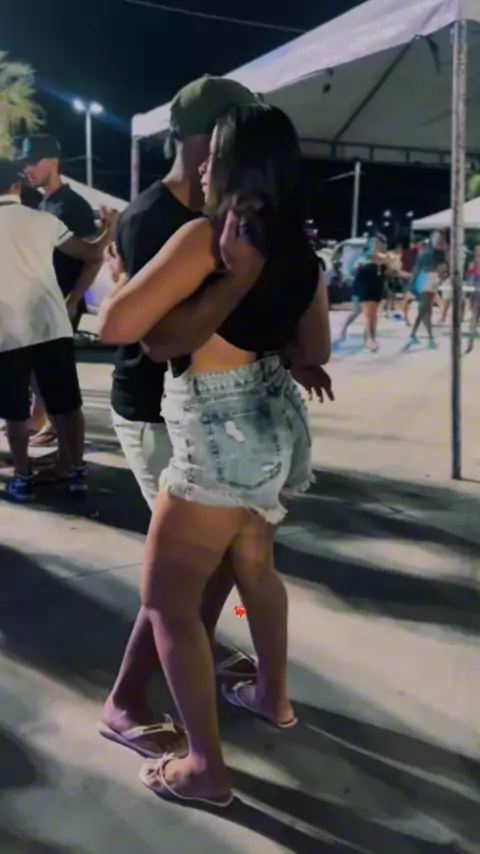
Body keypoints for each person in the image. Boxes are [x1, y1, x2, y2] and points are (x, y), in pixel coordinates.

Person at [99, 103, 331, 807]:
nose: (202, 168)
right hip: (272, 424)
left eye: (215, 155)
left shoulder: (209, 238)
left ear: (234, 164)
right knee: (254, 568)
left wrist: (149, 279)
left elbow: (116, 325)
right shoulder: (299, 247)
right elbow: (317, 349)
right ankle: (272, 698)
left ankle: (205, 768)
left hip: (216, 433)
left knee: (168, 606)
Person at [0, 159, 115, 501]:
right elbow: (92, 254)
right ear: (17, 186)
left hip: (7, 330)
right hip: (52, 324)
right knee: (67, 403)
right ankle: (77, 471)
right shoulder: (44, 220)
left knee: (15, 411)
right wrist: (109, 228)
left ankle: (23, 478)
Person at [21, 134, 100, 446]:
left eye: (33, 162)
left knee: (56, 372)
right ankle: (37, 418)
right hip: (44, 301)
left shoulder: (74, 205)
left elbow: (93, 258)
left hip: (63, 301)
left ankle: (59, 431)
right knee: (36, 366)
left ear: (52, 161)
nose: (27, 169)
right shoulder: (45, 203)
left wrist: (73, 300)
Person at [405, 230, 448, 350]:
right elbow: (417, 267)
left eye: (440, 237)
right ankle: (430, 337)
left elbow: (445, 269)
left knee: (425, 309)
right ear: (431, 238)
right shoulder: (425, 252)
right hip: (425, 278)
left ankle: (414, 333)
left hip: (433, 280)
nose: (439, 239)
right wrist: (412, 285)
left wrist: (441, 278)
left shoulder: (441, 253)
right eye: (436, 237)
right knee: (426, 308)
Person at [352, 233, 392, 351]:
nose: (375, 243)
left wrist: (388, 264)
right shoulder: (363, 256)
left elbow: (390, 272)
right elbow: (353, 271)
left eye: (378, 241)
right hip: (364, 286)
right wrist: (357, 267)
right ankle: (369, 339)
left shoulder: (384, 257)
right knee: (368, 315)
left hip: (377, 287)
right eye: (373, 241)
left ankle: (370, 339)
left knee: (373, 315)